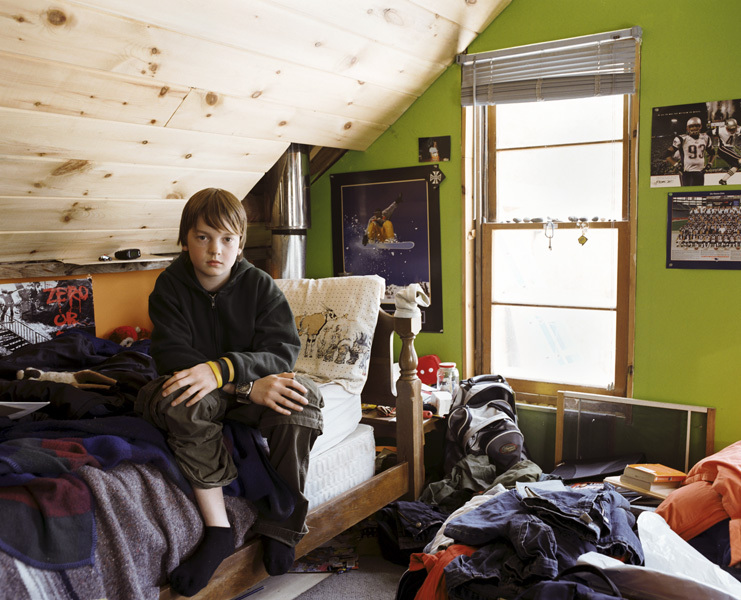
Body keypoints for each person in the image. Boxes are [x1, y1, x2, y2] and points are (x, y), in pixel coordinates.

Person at [135, 188, 323, 596]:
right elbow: (170, 355)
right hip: (209, 388)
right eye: (203, 237)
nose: (214, 250)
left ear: (240, 243)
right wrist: (234, 384)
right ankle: (218, 530)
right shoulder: (169, 286)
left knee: (301, 399)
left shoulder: (260, 286)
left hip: (242, 383)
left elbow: (282, 352)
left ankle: (281, 523)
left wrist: (232, 375)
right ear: (185, 239)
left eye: (226, 239)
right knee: (178, 400)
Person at [665, 116, 715, 186]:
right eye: (691, 126)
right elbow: (667, 155)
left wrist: (710, 164)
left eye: (696, 126)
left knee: (699, 194)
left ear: (700, 126)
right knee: (686, 194)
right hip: (686, 172)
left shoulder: (705, 138)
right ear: (687, 128)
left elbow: (712, 153)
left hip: (700, 172)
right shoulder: (682, 139)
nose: (694, 128)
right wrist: (676, 165)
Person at [710, 118, 741, 185]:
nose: (732, 131)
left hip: (731, 149)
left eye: (733, 129)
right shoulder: (720, 130)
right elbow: (707, 134)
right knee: (740, 159)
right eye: (730, 130)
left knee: (736, 166)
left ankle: (723, 180)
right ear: (726, 127)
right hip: (722, 149)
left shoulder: (739, 129)